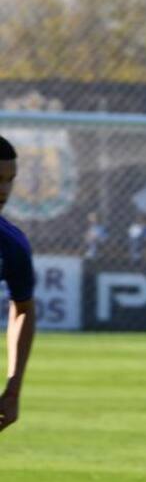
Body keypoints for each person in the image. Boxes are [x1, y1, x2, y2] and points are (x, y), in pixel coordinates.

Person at [0, 135, 36, 434]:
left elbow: (23, 308)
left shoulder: (11, 244)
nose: (4, 190)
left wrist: (13, 390)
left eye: (10, 180)